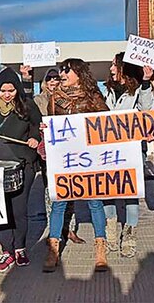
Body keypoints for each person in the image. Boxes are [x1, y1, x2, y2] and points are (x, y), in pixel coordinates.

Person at [0, 67, 42, 272]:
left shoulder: (27, 105)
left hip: (22, 164)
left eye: (11, 90)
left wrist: (34, 138)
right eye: (3, 91)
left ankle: (20, 248)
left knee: (19, 210)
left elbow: (37, 125)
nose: (7, 94)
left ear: (17, 89)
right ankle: (6, 251)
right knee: (1, 211)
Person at [43, 58, 109, 273]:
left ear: (79, 74)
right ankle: (53, 250)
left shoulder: (93, 98)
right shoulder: (55, 98)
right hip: (64, 160)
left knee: (95, 203)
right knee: (59, 203)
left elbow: (108, 124)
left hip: (88, 159)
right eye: (62, 70)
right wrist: (45, 128)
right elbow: (51, 122)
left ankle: (100, 250)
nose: (62, 74)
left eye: (67, 71)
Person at [20, 65, 86, 244]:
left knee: (70, 188)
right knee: (51, 190)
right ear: (44, 82)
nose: (52, 82)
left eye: (56, 79)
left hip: (69, 151)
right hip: (48, 152)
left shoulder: (70, 98)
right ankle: (54, 230)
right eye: (49, 79)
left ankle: (70, 228)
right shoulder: (38, 100)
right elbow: (28, 112)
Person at [102, 52, 154, 257]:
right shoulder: (107, 91)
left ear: (124, 68)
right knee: (107, 191)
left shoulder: (139, 90)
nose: (111, 69)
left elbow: (146, 110)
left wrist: (147, 83)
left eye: (114, 65)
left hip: (131, 150)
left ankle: (130, 234)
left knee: (130, 193)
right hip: (108, 151)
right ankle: (111, 231)